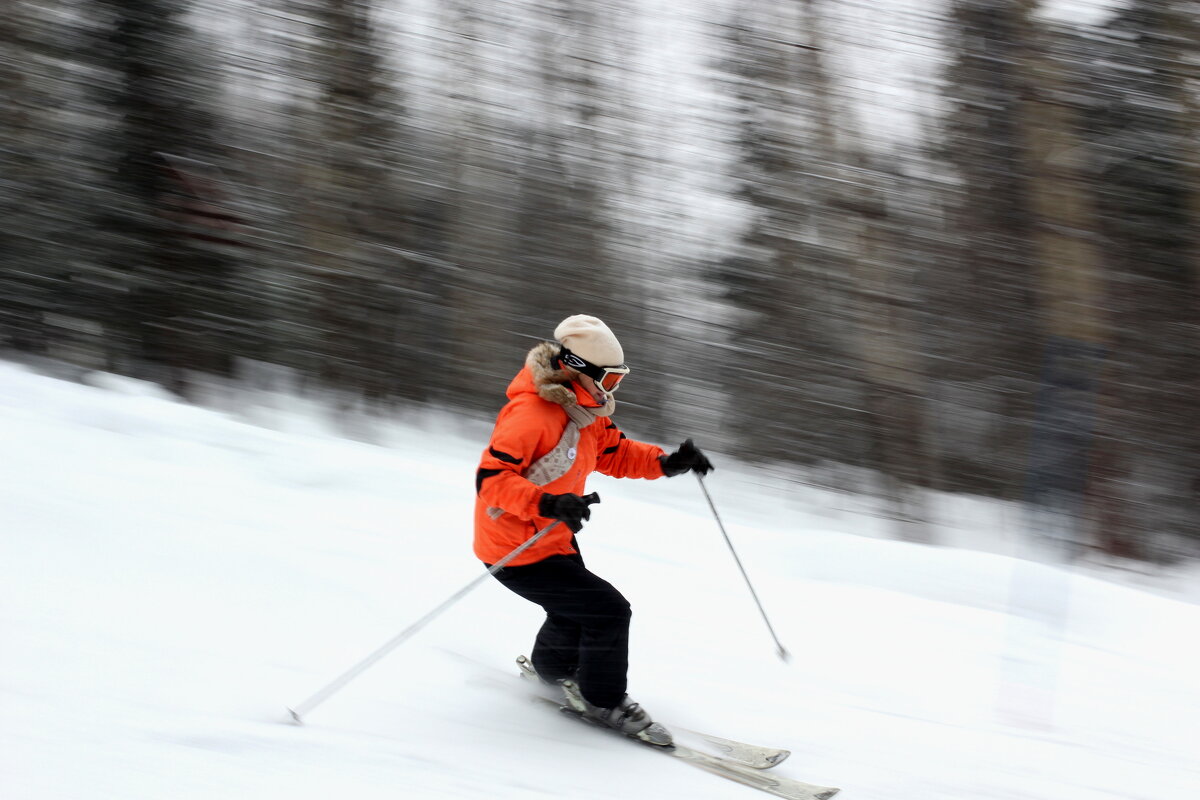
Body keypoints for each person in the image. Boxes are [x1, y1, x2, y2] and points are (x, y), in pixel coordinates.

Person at [473, 314, 713, 744]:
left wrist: (666, 463)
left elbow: (616, 452)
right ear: (580, 369)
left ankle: (553, 670)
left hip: (551, 539)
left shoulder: (583, 412)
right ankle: (603, 700)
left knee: (575, 611)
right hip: (514, 549)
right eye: (610, 379)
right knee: (608, 611)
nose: (612, 389)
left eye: (619, 380)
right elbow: (490, 481)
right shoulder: (531, 415)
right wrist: (547, 502)